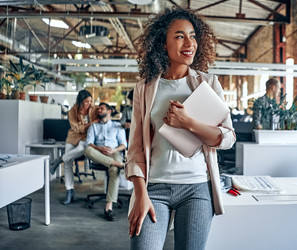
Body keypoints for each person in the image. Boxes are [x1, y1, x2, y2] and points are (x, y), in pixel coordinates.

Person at [125, 7, 236, 250]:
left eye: (193, 36)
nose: (189, 43)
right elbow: (135, 150)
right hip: (154, 187)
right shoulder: (145, 88)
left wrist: (188, 123)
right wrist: (140, 194)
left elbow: (227, 138)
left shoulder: (208, 83)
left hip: (197, 188)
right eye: (179, 36)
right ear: (162, 43)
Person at [50, 90, 99, 205]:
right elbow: (76, 129)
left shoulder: (94, 109)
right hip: (73, 137)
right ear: (81, 101)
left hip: (87, 138)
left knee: (81, 149)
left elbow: (97, 122)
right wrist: (91, 124)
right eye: (86, 102)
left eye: (90, 101)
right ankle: (69, 191)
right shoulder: (72, 111)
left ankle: (59, 159)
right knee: (68, 163)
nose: (89, 103)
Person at [84, 102, 127, 221]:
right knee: (87, 150)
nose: (98, 111)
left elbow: (124, 144)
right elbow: (89, 143)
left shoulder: (117, 125)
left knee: (114, 170)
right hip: (99, 154)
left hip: (115, 153)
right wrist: (99, 148)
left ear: (109, 111)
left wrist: (114, 149)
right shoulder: (94, 126)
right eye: (98, 109)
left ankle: (109, 206)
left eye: (101, 109)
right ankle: (119, 165)